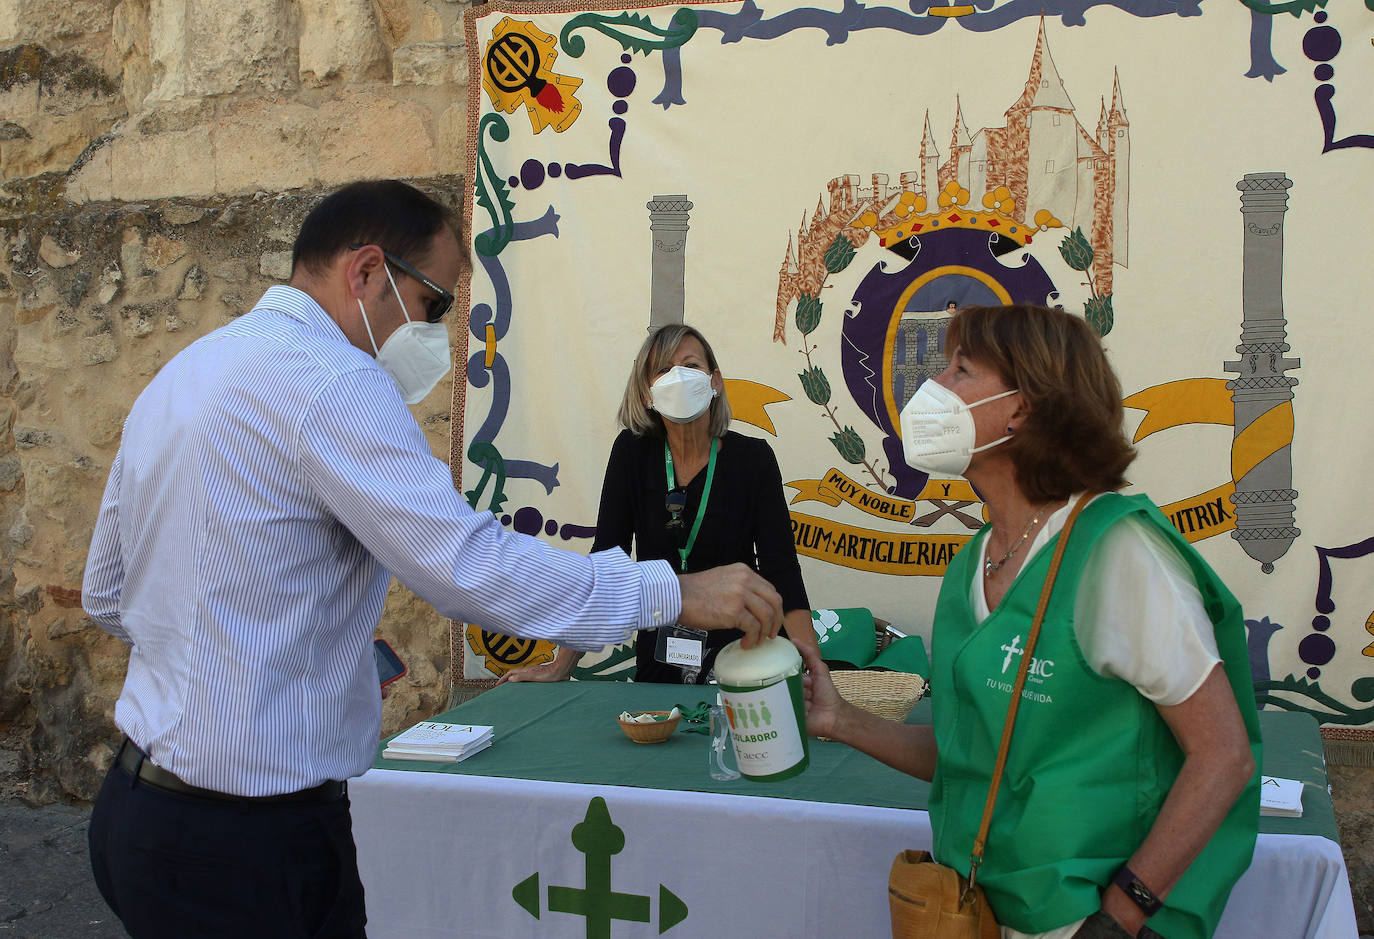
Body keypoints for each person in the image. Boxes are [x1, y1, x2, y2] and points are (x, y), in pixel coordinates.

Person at [81, 180, 783, 939]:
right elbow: (466, 566)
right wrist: (667, 592)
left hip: (137, 808)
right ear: (368, 272)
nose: (438, 333)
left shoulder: (183, 372)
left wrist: (291, 645)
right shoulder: (336, 381)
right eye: (436, 305)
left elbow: (109, 591)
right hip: (248, 839)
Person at [798, 304, 1259, 939]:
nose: (933, 389)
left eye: (960, 370)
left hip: (1082, 919)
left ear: (1023, 408)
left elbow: (1224, 755)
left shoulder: (1116, 552)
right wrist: (839, 720)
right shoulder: (972, 565)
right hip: (983, 912)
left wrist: (1121, 916)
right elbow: (974, 757)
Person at [501, 323, 817, 685]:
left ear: (715, 381)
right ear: (647, 392)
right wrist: (562, 666)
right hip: (658, 657)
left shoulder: (753, 458)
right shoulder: (631, 454)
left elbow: (782, 571)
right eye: (664, 370)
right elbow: (608, 558)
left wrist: (812, 669)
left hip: (743, 659)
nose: (678, 377)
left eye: (691, 365)